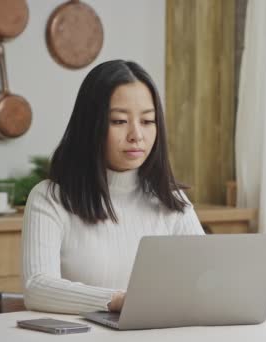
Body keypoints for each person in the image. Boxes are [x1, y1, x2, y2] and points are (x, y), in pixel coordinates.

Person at [21, 60, 205, 315]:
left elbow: (205, 279)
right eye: (119, 121)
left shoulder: (171, 200)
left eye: (148, 121)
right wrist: (119, 301)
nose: (136, 135)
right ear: (90, 126)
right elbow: (37, 288)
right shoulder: (50, 198)